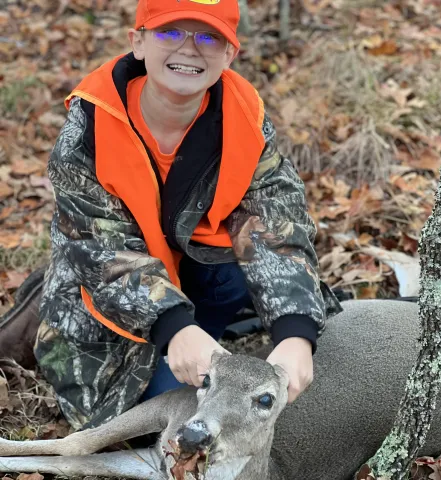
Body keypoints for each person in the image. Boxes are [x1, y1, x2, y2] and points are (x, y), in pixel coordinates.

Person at [34, 0, 342, 430]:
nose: (189, 48)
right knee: (165, 423)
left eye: (208, 36)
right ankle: (188, 342)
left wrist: (295, 332)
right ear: (138, 42)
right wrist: (173, 327)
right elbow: (102, 256)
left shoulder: (244, 119)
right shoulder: (89, 129)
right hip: (109, 310)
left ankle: (206, 336)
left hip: (193, 275)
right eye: (169, 33)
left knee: (242, 274)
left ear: (229, 54)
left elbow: (277, 224)